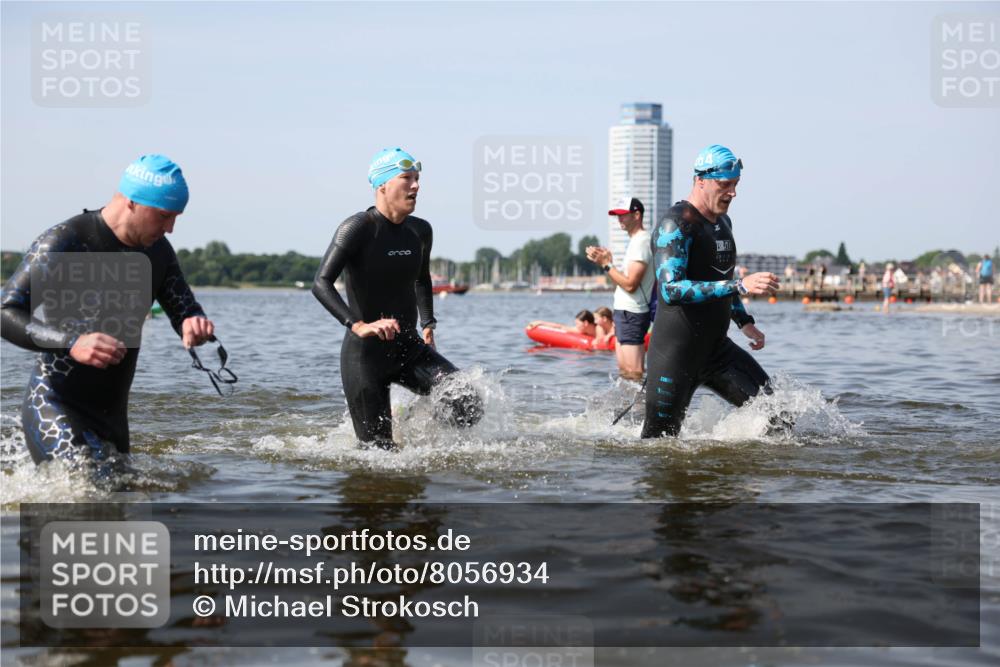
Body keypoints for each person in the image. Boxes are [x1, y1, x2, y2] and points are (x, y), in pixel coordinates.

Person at [0, 155, 216, 472]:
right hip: (55, 405)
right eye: (164, 216)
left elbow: (184, 308)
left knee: (124, 495)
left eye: (176, 218)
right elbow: (6, 312)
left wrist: (191, 323)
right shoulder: (65, 242)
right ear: (132, 202)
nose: (170, 228)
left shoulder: (158, 253)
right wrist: (71, 342)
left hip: (112, 419)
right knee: (89, 484)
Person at [312, 148, 483, 450]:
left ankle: (417, 428)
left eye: (417, 178)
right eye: (406, 178)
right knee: (378, 453)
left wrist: (428, 324)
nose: (416, 186)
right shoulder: (358, 228)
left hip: (409, 348)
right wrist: (359, 325)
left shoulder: (420, 230)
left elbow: (422, 278)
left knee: (467, 402)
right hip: (365, 357)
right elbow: (321, 283)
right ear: (383, 185)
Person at [641, 145, 780, 438]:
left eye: (736, 184)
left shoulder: (723, 223)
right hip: (675, 356)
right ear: (700, 180)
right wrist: (740, 285)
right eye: (725, 184)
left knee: (778, 418)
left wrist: (743, 321)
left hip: (716, 351)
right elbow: (671, 289)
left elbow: (720, 277)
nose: (733, 193)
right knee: (658, 446)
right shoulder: (677, 224)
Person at [585, 197, 655, 380]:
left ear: (637, 215)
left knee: (634, 373)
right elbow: (625, 281)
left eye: (623, 215)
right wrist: (609, 263)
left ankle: (642, 401)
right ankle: (630, 401)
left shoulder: (641, 242)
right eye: (617, 215)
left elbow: (630, 285)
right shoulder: (635, 241)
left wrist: (606, 265)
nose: (619, 219)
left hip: (633, 313)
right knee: (625, 373)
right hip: (624, 312)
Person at [527, 309, 597, 337]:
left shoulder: (599, 329)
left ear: (585, 323)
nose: (576, 326)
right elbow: (561, 327)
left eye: (577, 324)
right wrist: (541, 323)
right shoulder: (580, 330)